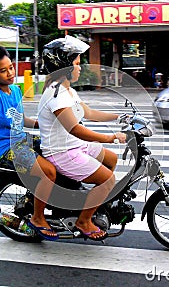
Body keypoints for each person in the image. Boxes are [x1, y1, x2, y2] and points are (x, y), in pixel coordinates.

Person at [38, 35, 127, 241]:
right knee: (108, 180)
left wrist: (120, 116)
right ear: (64, 66)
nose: (80, 68)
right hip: (62, 152)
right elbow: (75, 129)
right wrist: (111, 137)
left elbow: (88, 113)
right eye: (77, 63)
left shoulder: (67, 90)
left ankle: (90, 201)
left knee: (111, 159)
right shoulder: (56, 94)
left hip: (75, 146)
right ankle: (83, 221)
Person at [0, 46, 58, 241]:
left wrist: (46, 125)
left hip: (20, 139)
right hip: (5, 148)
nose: (10, 73)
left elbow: (19, 118)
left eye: (11, 67)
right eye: (3, 70)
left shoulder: (15, 90)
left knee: (58, 147)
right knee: (48, 172)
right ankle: (38, 218)